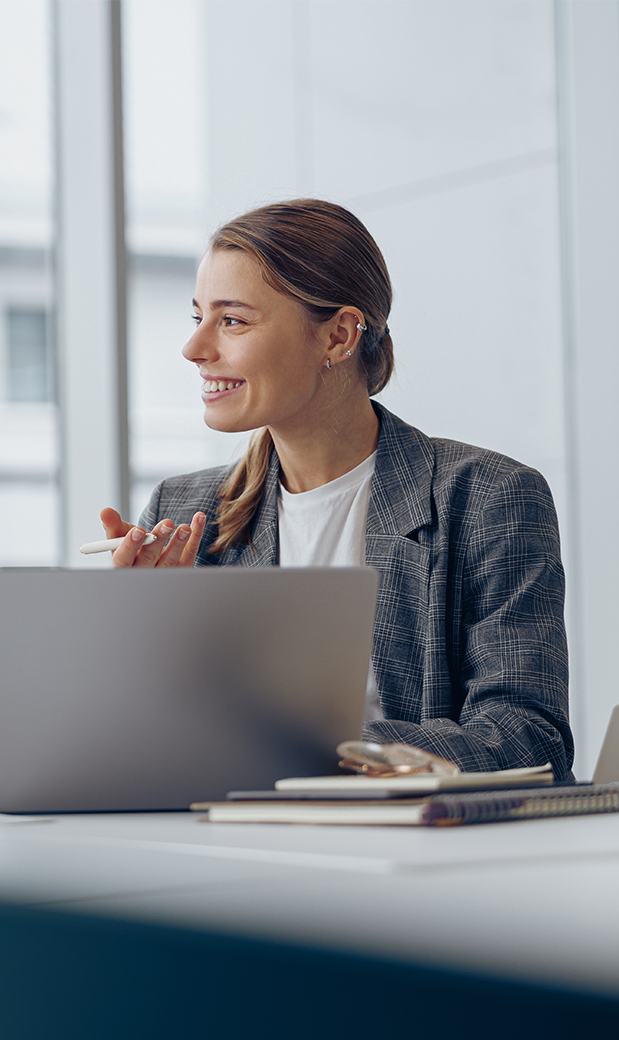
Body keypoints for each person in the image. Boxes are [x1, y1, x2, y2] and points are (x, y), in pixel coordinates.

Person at [100, 199, 572, 778]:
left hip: (414, 852)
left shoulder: (488, 499)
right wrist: (148, 639)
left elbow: (527, 738)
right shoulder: (183, 513)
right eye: (197, 317)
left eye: (232, 320)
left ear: (339, 335)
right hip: (237, 840)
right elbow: (145, 743)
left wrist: (313, 741)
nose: (195, 349)